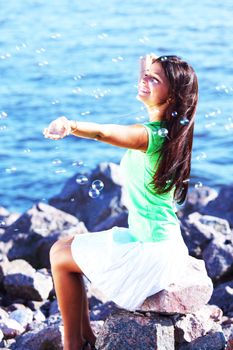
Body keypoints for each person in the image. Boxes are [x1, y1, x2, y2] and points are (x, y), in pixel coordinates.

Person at [43, 54, 198, 350]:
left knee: (59, 257)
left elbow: (104, 132)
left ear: (172, 96)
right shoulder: (172, 132)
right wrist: (149, 66)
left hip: (151, 253)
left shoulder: (148, 136)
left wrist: (70, 124)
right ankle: (86, 335)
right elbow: (152, 83)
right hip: (163, 242)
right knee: (66, 246)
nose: (144, 80)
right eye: (146, 74)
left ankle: (72, 344)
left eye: (154, 79)